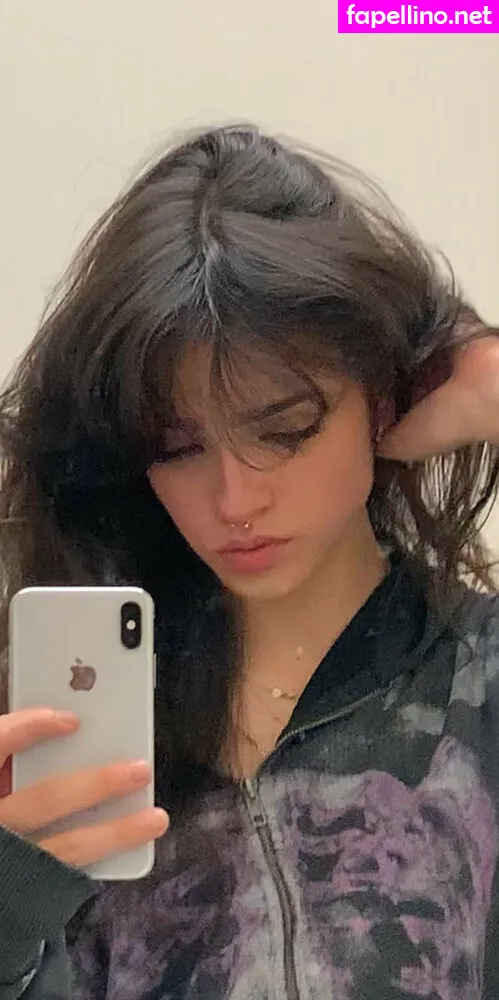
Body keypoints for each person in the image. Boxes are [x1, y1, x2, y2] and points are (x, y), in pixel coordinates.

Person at [0, 123, 498, 1000]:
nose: (234, 500)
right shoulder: (54, 715)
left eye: (285, 430)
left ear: (382, 398)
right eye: (177, 447)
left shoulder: (476, 682)